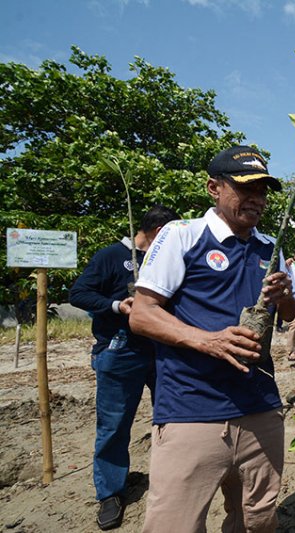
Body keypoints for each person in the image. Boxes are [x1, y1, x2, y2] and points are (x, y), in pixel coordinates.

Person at [129, 145, 295, 532]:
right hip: (193, 410)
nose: (256, 199)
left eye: (263, 190)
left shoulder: (271, 248)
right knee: (175, 523)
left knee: (257, 518)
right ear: (214, 188)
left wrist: (285, 294)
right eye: (245, 188)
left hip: (260, 407)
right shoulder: (182, 235)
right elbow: (142, 314)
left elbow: (287, 317)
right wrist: (209, 341)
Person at [69, 205, 178, 531]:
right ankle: (111, 493)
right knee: (114, 425)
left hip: (163, 351)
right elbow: (79, 293)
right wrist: (117, 305)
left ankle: (172, 478)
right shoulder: (111, 256)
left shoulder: (165, 258)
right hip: (121, 351)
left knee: (173, 416)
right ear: (159, 231)